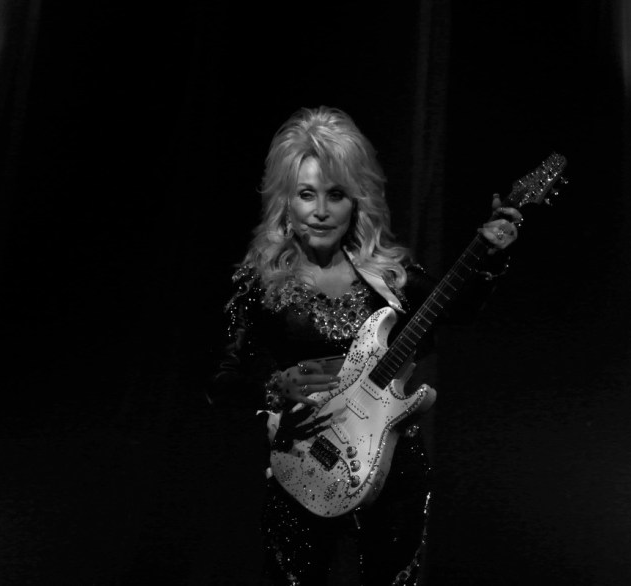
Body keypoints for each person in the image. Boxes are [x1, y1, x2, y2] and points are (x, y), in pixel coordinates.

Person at [208, 106, 521, 585]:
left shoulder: (389, 277)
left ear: (355, 201)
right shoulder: (260, 285)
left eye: (335, 195)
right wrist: (273, 390)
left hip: (392, 466)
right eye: (306, 194)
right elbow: (221, 380)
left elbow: (458, 309)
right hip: (305, 462)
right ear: (285, 202)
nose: (321, 211)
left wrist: (491, 258)